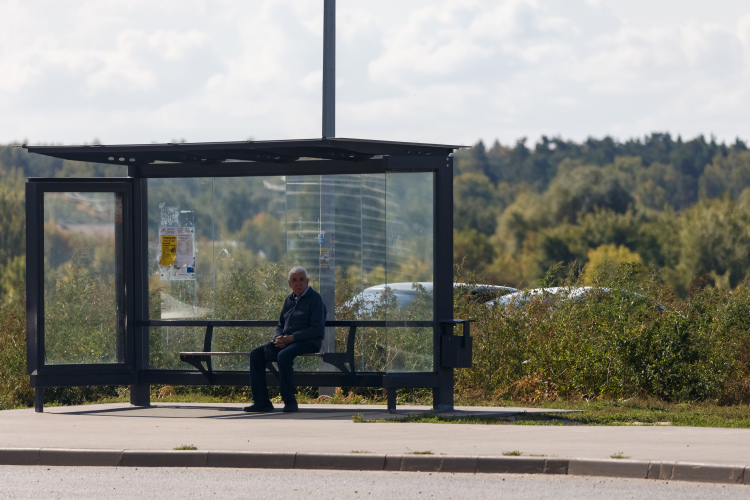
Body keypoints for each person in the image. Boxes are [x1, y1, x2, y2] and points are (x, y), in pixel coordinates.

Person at [243, 266, 326, 413]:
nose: (298, 283)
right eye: (294, 280)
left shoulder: (315, 299)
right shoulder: (289, 300)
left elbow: (316, 329)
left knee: (284, 355)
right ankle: (262, 402)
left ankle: (290, 401)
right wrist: (278, 338)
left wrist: (292, 338)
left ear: (307, 281)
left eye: (301, 280)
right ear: (289, 283)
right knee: (256, 354)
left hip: (309, 341)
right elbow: (281, 324)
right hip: (288, 341)